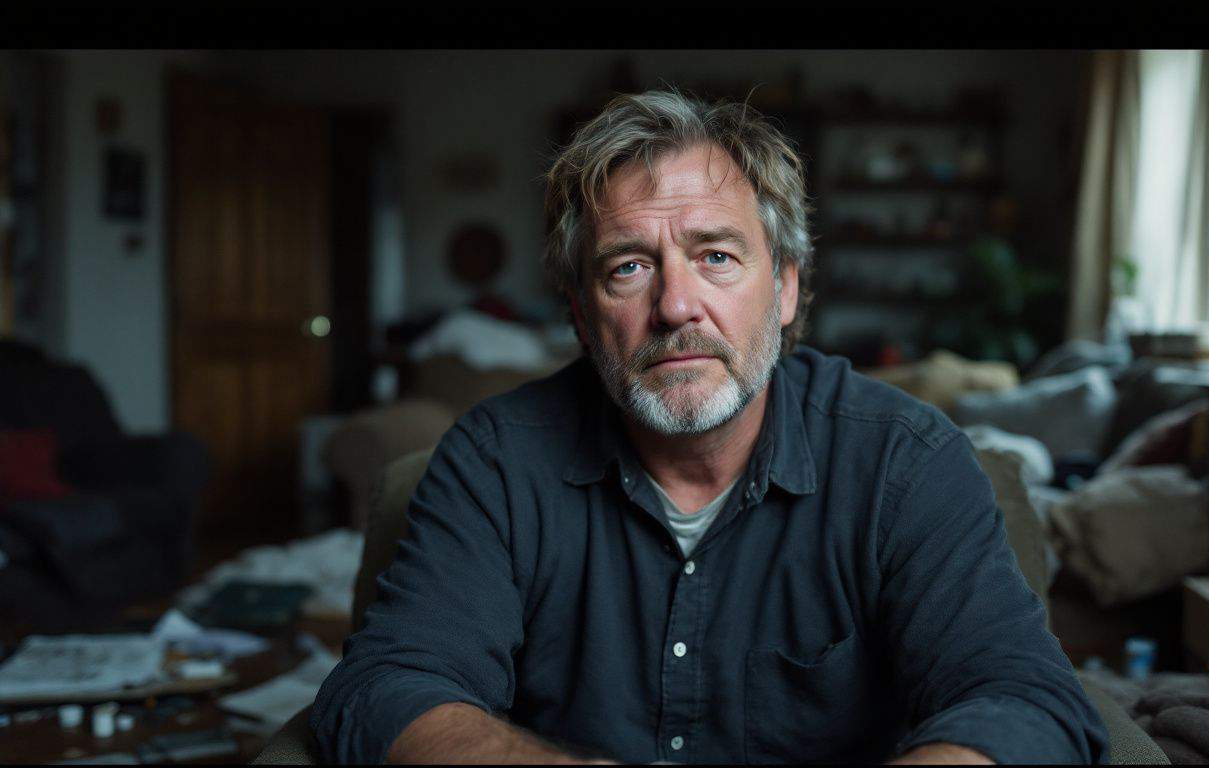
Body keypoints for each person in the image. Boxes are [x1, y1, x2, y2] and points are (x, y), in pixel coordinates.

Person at [311, 89, 1108, 764]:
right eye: (628, 266)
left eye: (717, 256)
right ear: (584, 319)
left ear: (787, 289)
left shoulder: (905, 463)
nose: (676, 305)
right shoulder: (495, 463)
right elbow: (385, 689)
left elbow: (1025, 701)